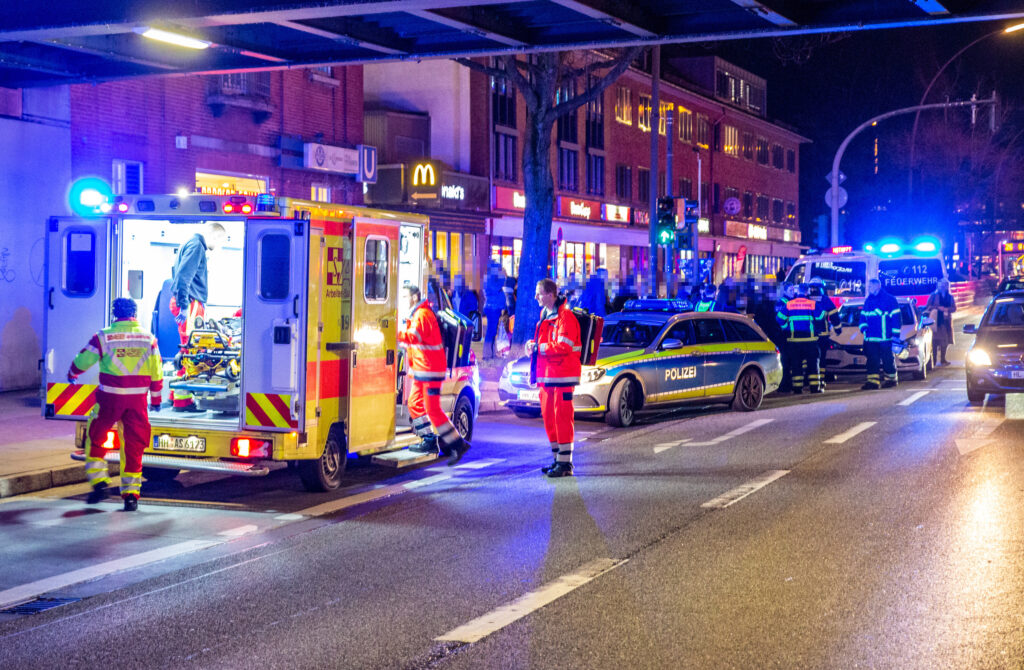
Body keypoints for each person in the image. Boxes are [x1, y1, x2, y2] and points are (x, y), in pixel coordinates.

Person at [68, 298, 163, 512]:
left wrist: (73, 372)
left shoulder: (103, 337)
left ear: (114, 314)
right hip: (137, 401)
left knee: (96, 437)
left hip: (109, 399)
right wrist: (156, 400)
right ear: (135, 314)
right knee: (133, 447)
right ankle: (131, 495)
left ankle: (100, 482)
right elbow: (157, 373)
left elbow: (84, 360)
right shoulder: (149, 338)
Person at [397, 284, 470, 465]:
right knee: (414, 403)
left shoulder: (422, 314)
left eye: (405, 297)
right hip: (423, 371)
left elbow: (414, 337)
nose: (403, 300)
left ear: (414, 297)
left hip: (430, 371)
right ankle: (429, 439)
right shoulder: (418, 314)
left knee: (433, 410)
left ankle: (457, 444)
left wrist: (393, 332)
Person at [526, 278, 582, 478]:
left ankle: (565, 464)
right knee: (550, 418)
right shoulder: (545, 314)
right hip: (548, 376)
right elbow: (546, 341)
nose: (536, 297)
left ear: (551, 294)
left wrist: (538, 348)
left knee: (562, 419)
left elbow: (564, 346)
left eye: (539, 293)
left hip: (562, 377)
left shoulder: (565, 317)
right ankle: (557, 460)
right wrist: (532, 344)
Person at [169, 222, 227, 411]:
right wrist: (184, 305)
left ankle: (175, 396)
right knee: (191, 350)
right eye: (220, 241)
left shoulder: (192, 244)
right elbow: (183, 277)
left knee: (188, 348)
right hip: (190, 303)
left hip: (190, 302)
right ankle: (182, 401)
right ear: (215, 236)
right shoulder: (196, 246)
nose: (219, 246)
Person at [777, 283, 827, 394]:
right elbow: (821, 316)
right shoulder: (812, 304)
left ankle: (797, 388)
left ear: (797, 291)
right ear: (807, 292)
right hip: (810, 340)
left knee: (796, 365)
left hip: (794, 341)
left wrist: (787, 328)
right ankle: (815, 388)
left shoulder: (789, 304)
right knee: (813, 364)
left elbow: (779, 319)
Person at [859, 278, 902, 390]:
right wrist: (863, 327)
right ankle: (873, 382)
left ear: (878, 286)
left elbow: (896, 319)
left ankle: (891, 380)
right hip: (870, 338)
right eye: (868, 287)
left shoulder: (889, 300)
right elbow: (863, 316)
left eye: (870, 286)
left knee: (887, 359)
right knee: (872, 360)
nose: (868, 288)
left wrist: (895, 336)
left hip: (885, 338)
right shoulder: (868, 300)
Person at [809, 277, 842, 388]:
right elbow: (834, 317)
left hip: (808, 335)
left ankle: (809, 381)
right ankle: (820, 381)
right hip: (822, 335)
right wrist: (838, 329)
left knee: (810, 359)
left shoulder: (806, 299)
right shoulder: (825, 300)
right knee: (821, 359)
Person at [925, 278, 956, 365]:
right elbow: (928, 307)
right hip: (936, 322)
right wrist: (938, 308)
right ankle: (933, 360)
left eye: (945, 285)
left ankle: (943, 359)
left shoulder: (950, 297)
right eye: (941, 285)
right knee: (934, 342)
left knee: (945, 341)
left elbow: (954, 308)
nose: (943, 287)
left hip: (946, 322)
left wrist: (946, 309)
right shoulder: (933, 296)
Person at [483, 263, 506, 359]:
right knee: (491, 331)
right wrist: (503, 276)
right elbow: (497, 286)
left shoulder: (490, 278)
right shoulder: (490, 279)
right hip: (493, 308)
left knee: (492, 331)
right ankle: (488, 354)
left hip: (494, 307)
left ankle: (490, 353)